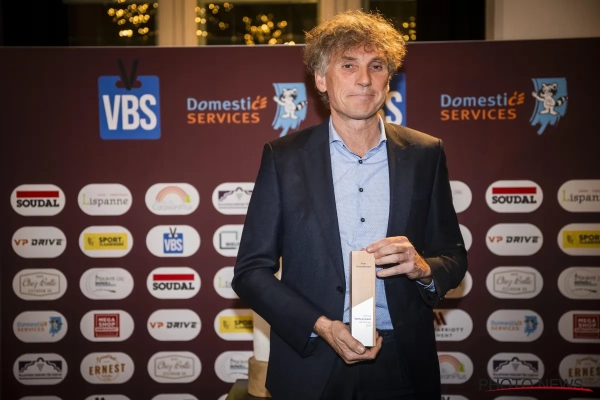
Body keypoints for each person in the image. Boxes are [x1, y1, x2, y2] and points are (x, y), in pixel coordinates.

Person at [232, 9, 467, 400]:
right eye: (348, 65)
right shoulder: (283, 158)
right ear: (321, 79)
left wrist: (423, 268)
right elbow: (250, 272)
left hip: (403, 361)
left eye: (376, 66)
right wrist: (322, 326)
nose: (364, 79)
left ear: (388, 78)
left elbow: (453, 257)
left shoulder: (425, 153)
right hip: (312, 360)